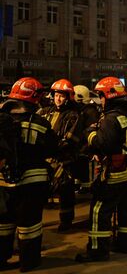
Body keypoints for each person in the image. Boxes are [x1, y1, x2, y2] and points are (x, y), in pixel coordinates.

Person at [75, 77, 127, 262]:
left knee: (99, 210)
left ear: (109, 96)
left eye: (101, 96)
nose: (101, 100)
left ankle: (98, 251)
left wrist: (90, 133)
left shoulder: (110, 118)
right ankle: (124, 245)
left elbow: (103, 143)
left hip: (116, 175)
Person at [0, 77, 57, 272]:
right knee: (29, 225)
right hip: (32, 182)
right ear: (35, 98)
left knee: (3, 223)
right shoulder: (39, 122)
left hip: (3, 182)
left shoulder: (2, 120)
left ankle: (1, 259)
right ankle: (29, 261)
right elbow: (52, 147)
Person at [37, 79, 83, 232]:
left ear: (68, 97)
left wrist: (51, 148)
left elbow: (69, 140)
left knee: (66, 190)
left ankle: (66, 221)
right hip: (46, 158)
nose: (58, 98)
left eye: (62, 96)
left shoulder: (73, 115)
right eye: (56, 95)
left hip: (64, 160)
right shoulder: (45, 111)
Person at [73, 85, 102, 193]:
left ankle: (87, 188)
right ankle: (82, 186)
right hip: (82, 146)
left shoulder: (89, 112)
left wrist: (88, 147)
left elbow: (90, 131)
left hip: (86, 147)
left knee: (87, 167)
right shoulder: (85, 110)